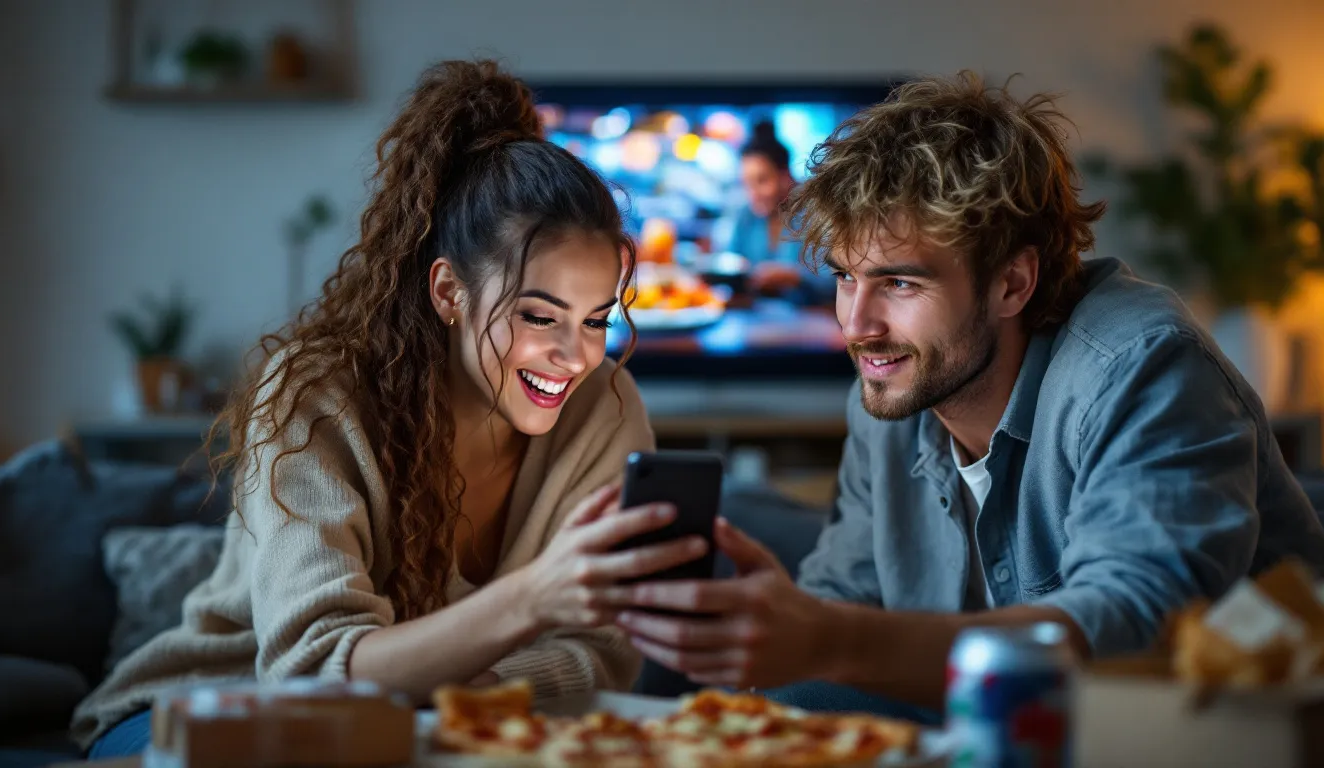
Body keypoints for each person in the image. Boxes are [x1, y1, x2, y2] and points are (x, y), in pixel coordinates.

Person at [610, 73, 1324, 717]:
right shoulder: (889, 391)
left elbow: (1132, 630)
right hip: (985, 709)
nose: (855, 326)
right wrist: (791, 638)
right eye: (843, 278)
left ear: (1013, 282)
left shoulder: (1141, 366)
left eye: (899, 282)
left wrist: (825, 641)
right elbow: (851, 593)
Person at [72, 60, 709, 758]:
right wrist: (531, 599)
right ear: (448, 292)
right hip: (203, 709)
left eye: (595, 320)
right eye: (538, 315)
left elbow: (596, 653)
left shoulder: (605, 408)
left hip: (436, 726)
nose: (577, 356)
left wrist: (454, 692)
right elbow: (309, 673)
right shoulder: (316, 394)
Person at [726, 121, 831, 304]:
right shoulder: (746, 215)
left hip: (810, 320)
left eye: (762, 181)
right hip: (759, 320)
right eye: (747, 184)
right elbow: (730, 262)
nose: (753, 194)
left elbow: (835, 282)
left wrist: (794, 277)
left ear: (785, 176)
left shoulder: (818, 213)